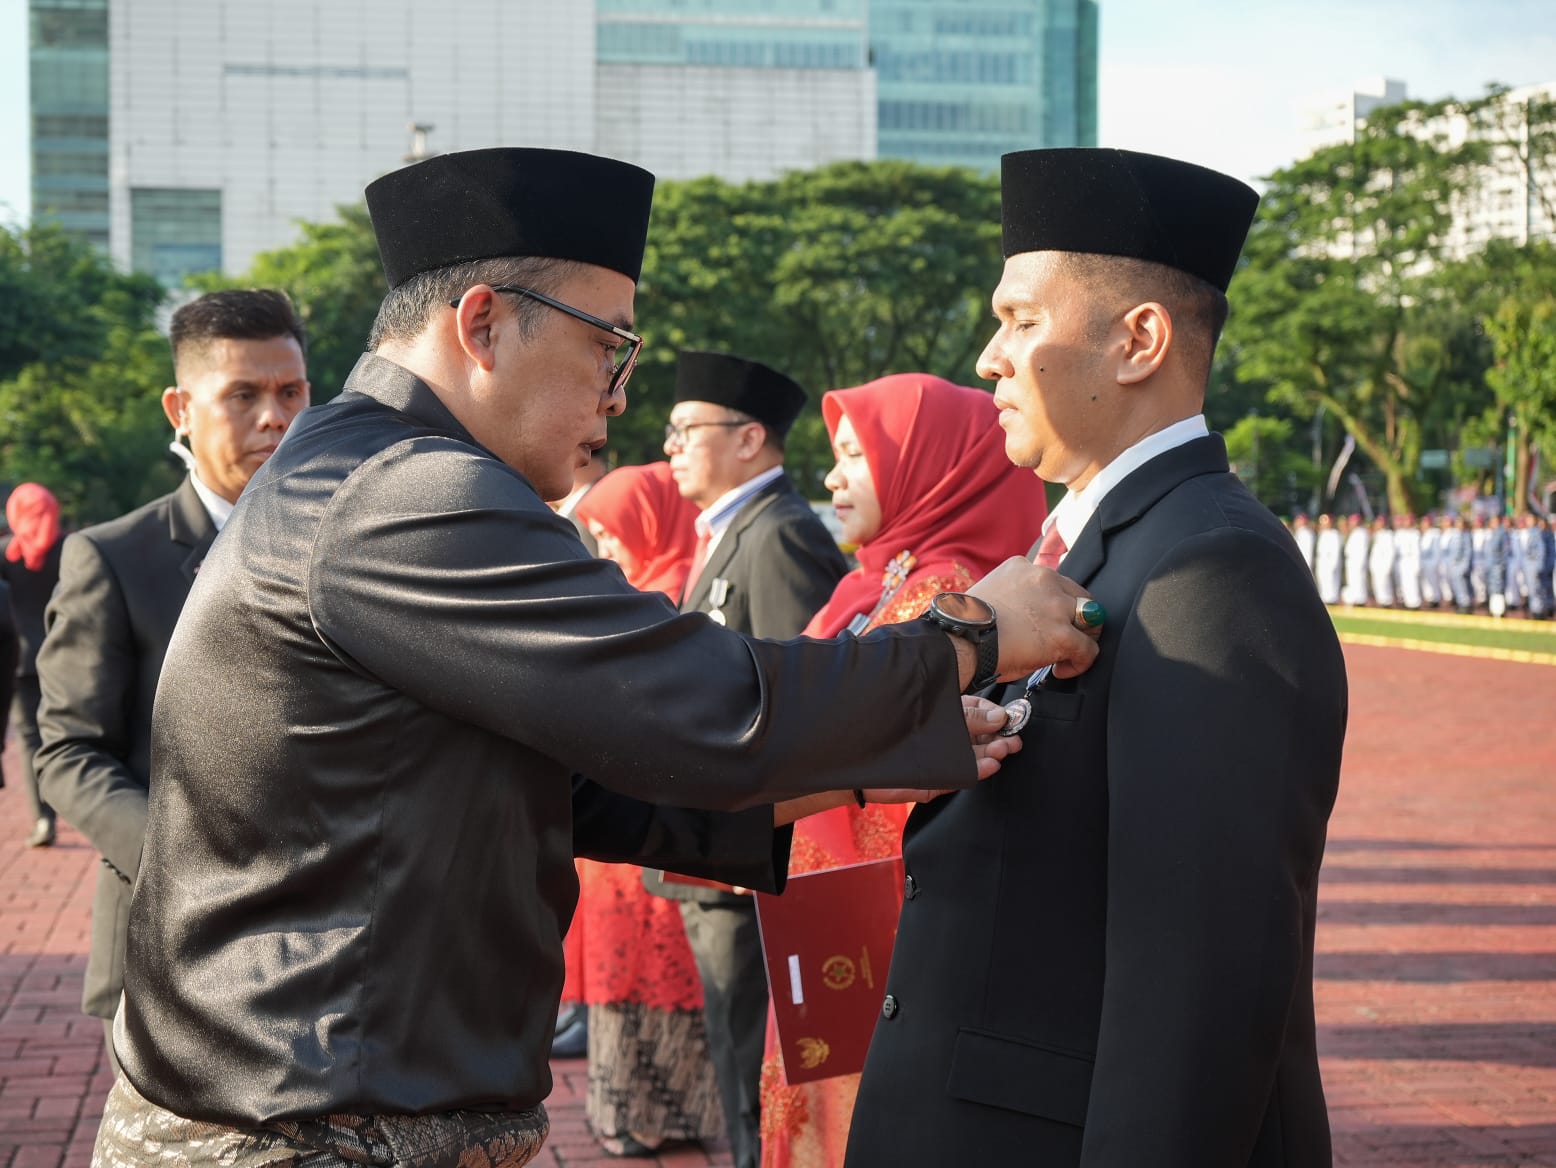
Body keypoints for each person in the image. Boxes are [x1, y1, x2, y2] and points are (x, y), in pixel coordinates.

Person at [92, 147, 1099, 1168]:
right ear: (482, 325)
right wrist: (969, 633)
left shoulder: (366, 469)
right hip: (304, 1129)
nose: (618, 397)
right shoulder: (404, 492)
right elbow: (700, 696)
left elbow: (581, 790)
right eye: (608, 346)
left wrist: (855, 767)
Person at [845, 147, 1348, 1166]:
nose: (989, 357)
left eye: (1020, 320)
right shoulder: (1084, 550)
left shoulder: (1208, 570)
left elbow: (1198, 980)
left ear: (1138, 342)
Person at [759, 373, 1048, 1168]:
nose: (832, 476)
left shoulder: (950, 599)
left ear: (931, 466)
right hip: (825, 911)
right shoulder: (882, 579)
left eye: (856, 455)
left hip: (879, 928)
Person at [36, 289, 310, 1073]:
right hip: (171, 946)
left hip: (326, 951)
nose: (274, 418)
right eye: (243, 395)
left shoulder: (347, 544)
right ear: (180, 410)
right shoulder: (115, 559)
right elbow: (69, 753)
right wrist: (190, 863)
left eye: (291, 392)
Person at [649, 349, 849, 1168]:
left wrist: (766, 834)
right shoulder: (732, 530)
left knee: (756, 1064)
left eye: (686, 430)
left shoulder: (780, 534)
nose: (669, 447)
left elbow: (803, 703)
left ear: (749, 438)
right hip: (718, 848)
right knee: (735, 1055)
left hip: (748, 858)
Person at [570, 461, 723, 1158]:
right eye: (599, 536)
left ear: (649, 526)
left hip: (657, 825)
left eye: (614, 534)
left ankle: (662, 1112)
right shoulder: (634, 592)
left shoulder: (672, 596)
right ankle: (624, 1108)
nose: (606, 550)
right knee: (621, 973)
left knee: (662, 978)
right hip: (621, 828)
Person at [1, 483, 65, 847]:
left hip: (20, 662)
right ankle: (75, 801)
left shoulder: (4, 555)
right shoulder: (70, 550)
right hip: (66, 659)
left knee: (30, 740)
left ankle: (43, 818)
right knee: (67, 734)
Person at [1394, 513, 1422, 610]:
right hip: (1401, 560)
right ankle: (1406, 602)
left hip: (1411, 560)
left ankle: (1414, 603)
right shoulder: (1400, 533)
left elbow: (1417, 551)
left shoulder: (1415, 534)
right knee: (1403, 583)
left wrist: (1417, 564)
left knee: (1412, 582)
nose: (1406, 523)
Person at [1367, 514, 1396, 608]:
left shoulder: (1388, 535)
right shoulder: (1376, 535)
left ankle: (1387, 603)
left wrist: (1388, 565)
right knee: (1377, 584)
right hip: (1376, 563)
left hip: (1384, 563)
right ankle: (1380, 601)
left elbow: (1390, 552)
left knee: (1385, 584)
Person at [1341, 513, 1370, 606]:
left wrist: (1360, 563)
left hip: (1357, 562)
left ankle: (1360, 601)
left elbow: (1362, 550)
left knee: (1359, 580)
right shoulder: (1354, 532)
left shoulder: (1361, 533)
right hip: (1352, 561)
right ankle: (1355, 599)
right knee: (1353, 581)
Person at [1314, 513, 1342, 605]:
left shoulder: (1334, 534)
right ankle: (1325, 599)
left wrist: (1333, 564)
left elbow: (1335, 551)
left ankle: (1332, 600)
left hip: (1330, 562)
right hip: (1322, 561)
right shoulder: (1322, 534)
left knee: (1331, 582)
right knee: (1322, 581)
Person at [1419, 514, 1442, 608]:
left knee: (1434, 582)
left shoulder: (1434, 534)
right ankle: (1430, 599)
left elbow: (1437, 551)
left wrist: (1435, 563)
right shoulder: (1424, 534)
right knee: (1426, 582)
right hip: (1424, 561)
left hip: (1431, 561)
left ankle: (1435, 600)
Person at [1290, 512, 1315, 577]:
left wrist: (1306, 567)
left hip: (1304, 564)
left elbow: (1307, 552)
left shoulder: (1305, 533)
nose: (1295, 523)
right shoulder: (1300, 532)